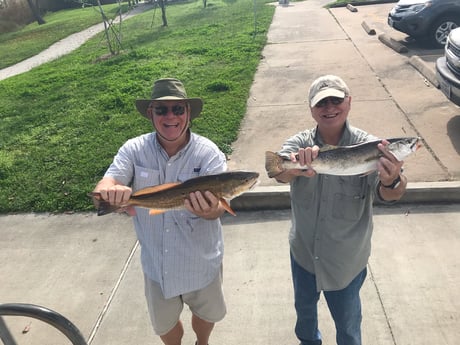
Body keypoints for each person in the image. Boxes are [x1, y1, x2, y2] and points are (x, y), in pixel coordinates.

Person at [271, 75, 408, 345]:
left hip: (346, 261)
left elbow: (389, 194)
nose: (330, 107)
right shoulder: (300, 143)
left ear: (349, 102)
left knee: (348, 328)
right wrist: (297, 167)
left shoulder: (374, 146)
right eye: (322, 102)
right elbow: (277, 171)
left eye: (337, 99)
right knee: (305, 318)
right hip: (304, 255)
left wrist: (392, 179)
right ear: (311, 109)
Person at [92, 78, 228, 345]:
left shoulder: (208, 154)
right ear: (149, 113)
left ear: (188, 113)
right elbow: (107, 183)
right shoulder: (133, 149)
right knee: (164, 325)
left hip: (201, 262)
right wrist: (109, 192)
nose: (170, 117)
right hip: (157, 265)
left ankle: (203, 342)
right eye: (161, 109)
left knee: (206, 314)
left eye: (178, 109)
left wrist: (209, 210)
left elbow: (216, 213)